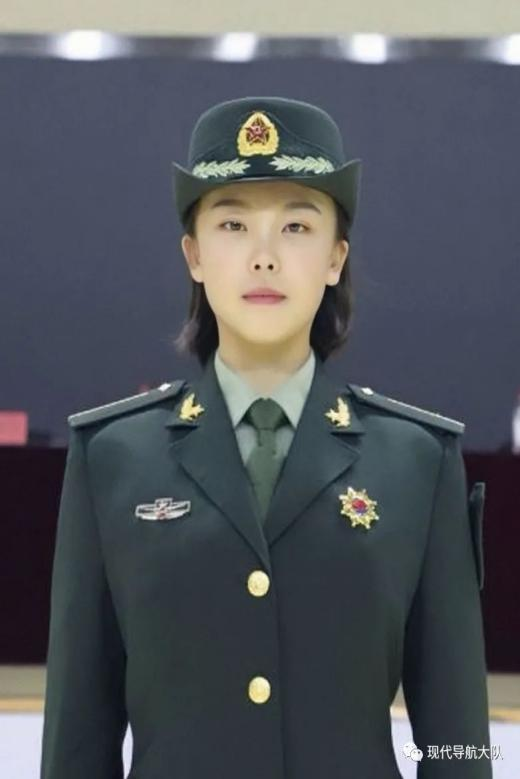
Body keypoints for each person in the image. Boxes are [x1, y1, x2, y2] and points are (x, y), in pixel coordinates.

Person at [40, 96, 492, 778]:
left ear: (336, 257)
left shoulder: (416, 462)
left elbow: (459, 741)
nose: (264, 257)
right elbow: (77, 739)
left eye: (297, 226)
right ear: (194, 254)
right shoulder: (113, 458)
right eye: (232, 224)